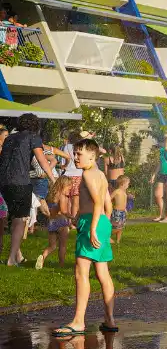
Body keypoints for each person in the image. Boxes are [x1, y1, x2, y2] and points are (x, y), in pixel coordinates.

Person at [53, 139, 117, 337]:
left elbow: (98, 203)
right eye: (75, 153)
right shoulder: (101, 175)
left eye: (79, 154)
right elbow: (108, 206)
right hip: (101, 223)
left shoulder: (88, 174)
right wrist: (101, 225)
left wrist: (93, 228)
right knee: (102, 273)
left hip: (93, 225)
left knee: (81, 273)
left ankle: (79, 322)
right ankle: (109, 320)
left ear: (92, 155)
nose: (75, 158)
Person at [0, 114, 56, 266]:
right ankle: (11, 259)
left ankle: (18, 256)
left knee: (13, 218)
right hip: (20, 182)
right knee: (20, 220)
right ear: (35, 125)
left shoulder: (9, 138)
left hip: (3, 182)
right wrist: (53, 179)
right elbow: (42, 159)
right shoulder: (33, 137)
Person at [35, 175, 71, 269]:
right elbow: (63, 210)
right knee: (62, 245)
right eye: (69, 186)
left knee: (52, 246)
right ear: (63, 185)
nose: (69, 189)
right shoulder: (62, 196)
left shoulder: (51, 195)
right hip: (61, 222)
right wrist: (72, 217)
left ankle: (42, 256)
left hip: (52, 222)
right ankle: (61, 264)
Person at [110, 175, 130, 245]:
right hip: (117, 212)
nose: (128, 185)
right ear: (122, 184)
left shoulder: (124, 192)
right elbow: (109, 199)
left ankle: (118, 242)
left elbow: (124, 202)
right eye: (127, 184)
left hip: (122, 212)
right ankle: (106, 236)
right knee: (116, 227)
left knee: (121, 227)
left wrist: (125, 209)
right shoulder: (117, 191)